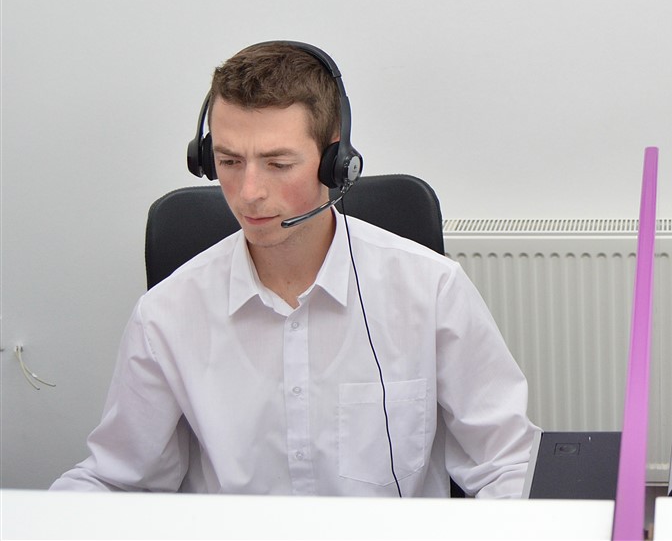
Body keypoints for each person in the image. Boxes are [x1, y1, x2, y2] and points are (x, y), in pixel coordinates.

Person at [54, 41, 539, 497]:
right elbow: (115, 481)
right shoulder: (166, 314)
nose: (249, 193)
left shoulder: (430, 290)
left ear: (336, 162)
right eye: (228, 161)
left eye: (278, 164)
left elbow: (508, 464)